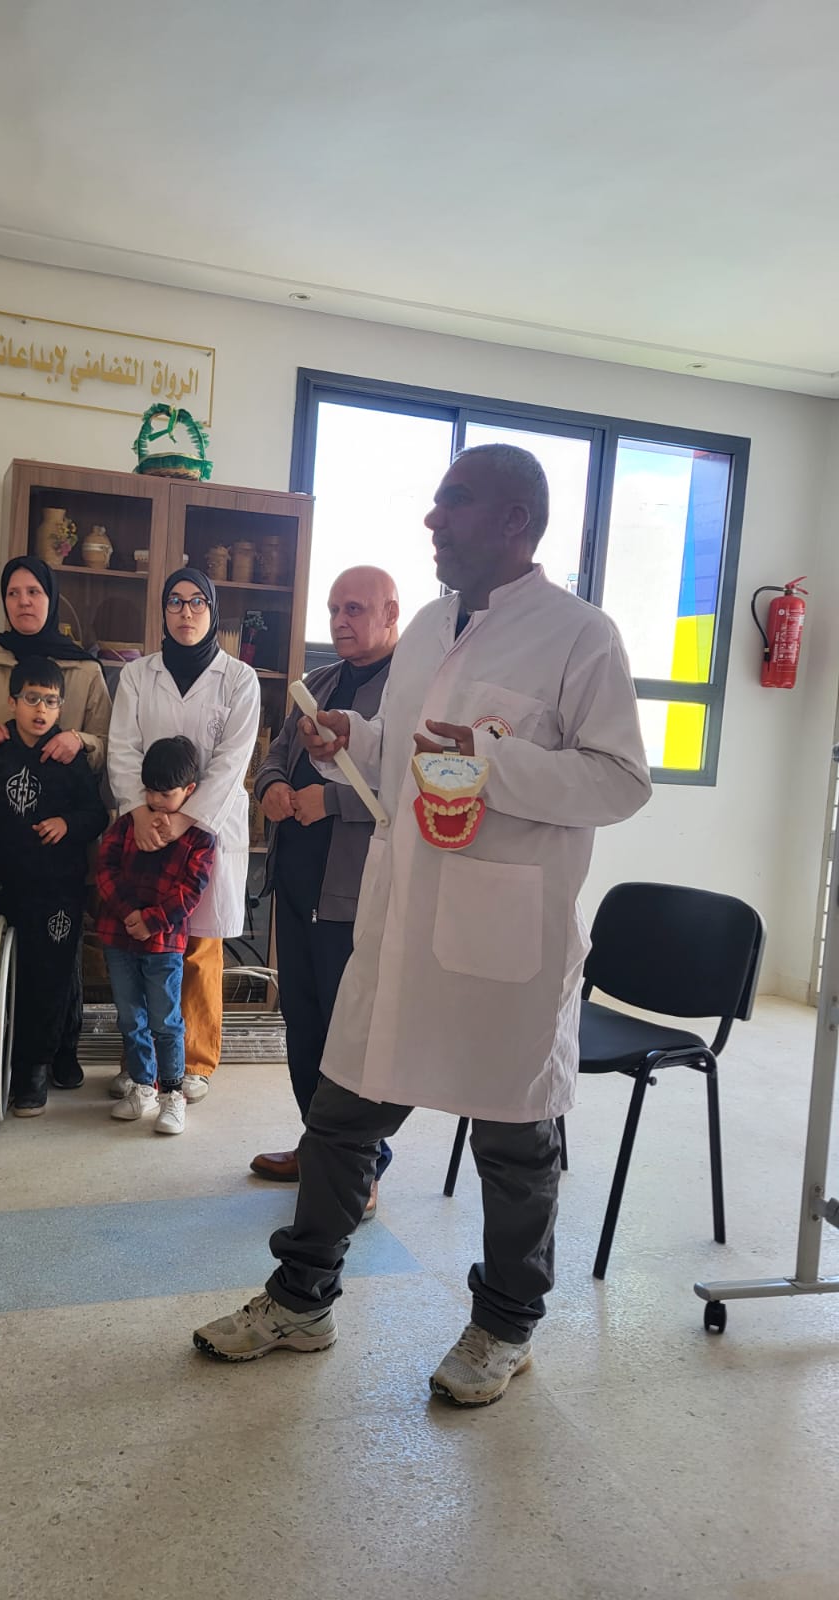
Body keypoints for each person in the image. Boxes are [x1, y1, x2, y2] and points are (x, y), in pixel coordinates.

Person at [193, 444, 652, 1406]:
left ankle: (506, 1326)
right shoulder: (433, 627)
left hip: (505, 936)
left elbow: (620, 781)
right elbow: (408, 752)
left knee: (514, 1143)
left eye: (455, 502)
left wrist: (494, 761)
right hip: (403, 920)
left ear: (516, 520)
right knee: (340, 1117)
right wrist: (353, 739)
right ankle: (302, 1298)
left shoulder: (581, 636)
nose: (433, 520)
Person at [251, 567, 399, 1216]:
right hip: (295, 885)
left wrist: (329, 801)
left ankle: (362, 1165)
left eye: (355, 608)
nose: (340, 620)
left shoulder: (411, 693)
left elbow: (410, 788)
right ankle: (319, 1146)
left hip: (355, 894)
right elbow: (275, 755)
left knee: (354, 1035)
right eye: (335, 608)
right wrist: (273, 788)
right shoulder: (316, 685)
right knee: (304, 1023)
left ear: (392, 612)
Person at [0, 556, 112, 1091]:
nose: (24, 602)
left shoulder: (85, 669)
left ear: (50, 597)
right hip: (1, 839)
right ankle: (0, 1052)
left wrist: (79, 741)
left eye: (34, 591)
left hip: (62, 838)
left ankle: (60, 1048)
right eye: (13, 592)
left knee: (59, 953)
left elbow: (109, 744)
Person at [107, 570, 261, 1103]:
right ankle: (143, 1065)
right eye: (175, 601)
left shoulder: (239, 678)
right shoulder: (137, 675)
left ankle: (195, 1061)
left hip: (206, 824)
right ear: (164, 610)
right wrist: (139, 813)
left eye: (197, 601)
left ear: (213, 611)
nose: (186, 611)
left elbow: (233, 760)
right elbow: (122, 748)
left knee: (198, 944)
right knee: (143, 942)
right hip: (145, 823)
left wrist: (184, 819)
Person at [96, 736, 216, 1136]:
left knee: (165, 1020)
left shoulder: (199, 837)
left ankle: (173, 1094)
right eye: (149, 791)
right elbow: (105, 868)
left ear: (189, 790)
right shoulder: (128, 824)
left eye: (166, 794)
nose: (156, 801)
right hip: (119, 936)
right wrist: (129, 913)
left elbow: (191, 891)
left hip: (163, 944)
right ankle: (142, 1087)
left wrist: (151, 920)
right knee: (130, 1017)